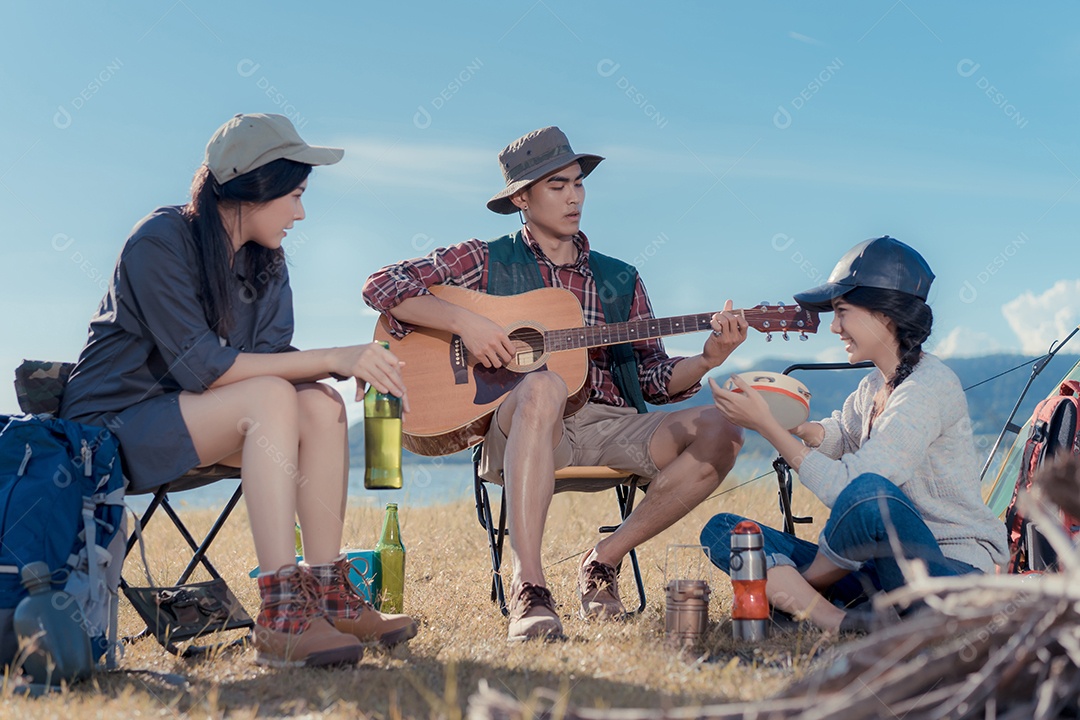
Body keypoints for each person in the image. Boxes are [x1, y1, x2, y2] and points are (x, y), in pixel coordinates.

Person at [60, 113, 418, 667]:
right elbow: (204, 367)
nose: (301, 213)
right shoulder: (159, 241)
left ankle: (327, 593)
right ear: (258, 186)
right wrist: (333, 357)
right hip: (110, 432)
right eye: (295, 195)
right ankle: (280, 616)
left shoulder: (265, 261)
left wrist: (357, 369)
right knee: (275, 396)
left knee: (320, 405)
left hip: (197, 419)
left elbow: (271, 363)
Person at [363, 126, 746, 642]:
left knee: (723, 427)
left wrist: (705, 358)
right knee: (543, 386)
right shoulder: (484, 258)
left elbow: (654, 379)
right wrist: (467, 324)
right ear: (521, 198)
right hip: (523, 423)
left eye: (578, 184)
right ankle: (530, 587)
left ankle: (602, 559)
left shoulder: (619, 277)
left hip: (610, 423)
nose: (573, 197)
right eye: (556, 186)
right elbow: (382, 285)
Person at [701, 236, 1008, 633]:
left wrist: (769, 428)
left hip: (948, 573)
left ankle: (795, 592)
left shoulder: (928, 387)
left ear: (885, 315)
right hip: (877, 571)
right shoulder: (871, 387)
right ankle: (843, 621)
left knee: (870, 495)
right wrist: (799, 426)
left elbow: (853, 487)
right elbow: (843, 437)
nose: (833, 327)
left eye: (842, 312)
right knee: (725, 530)